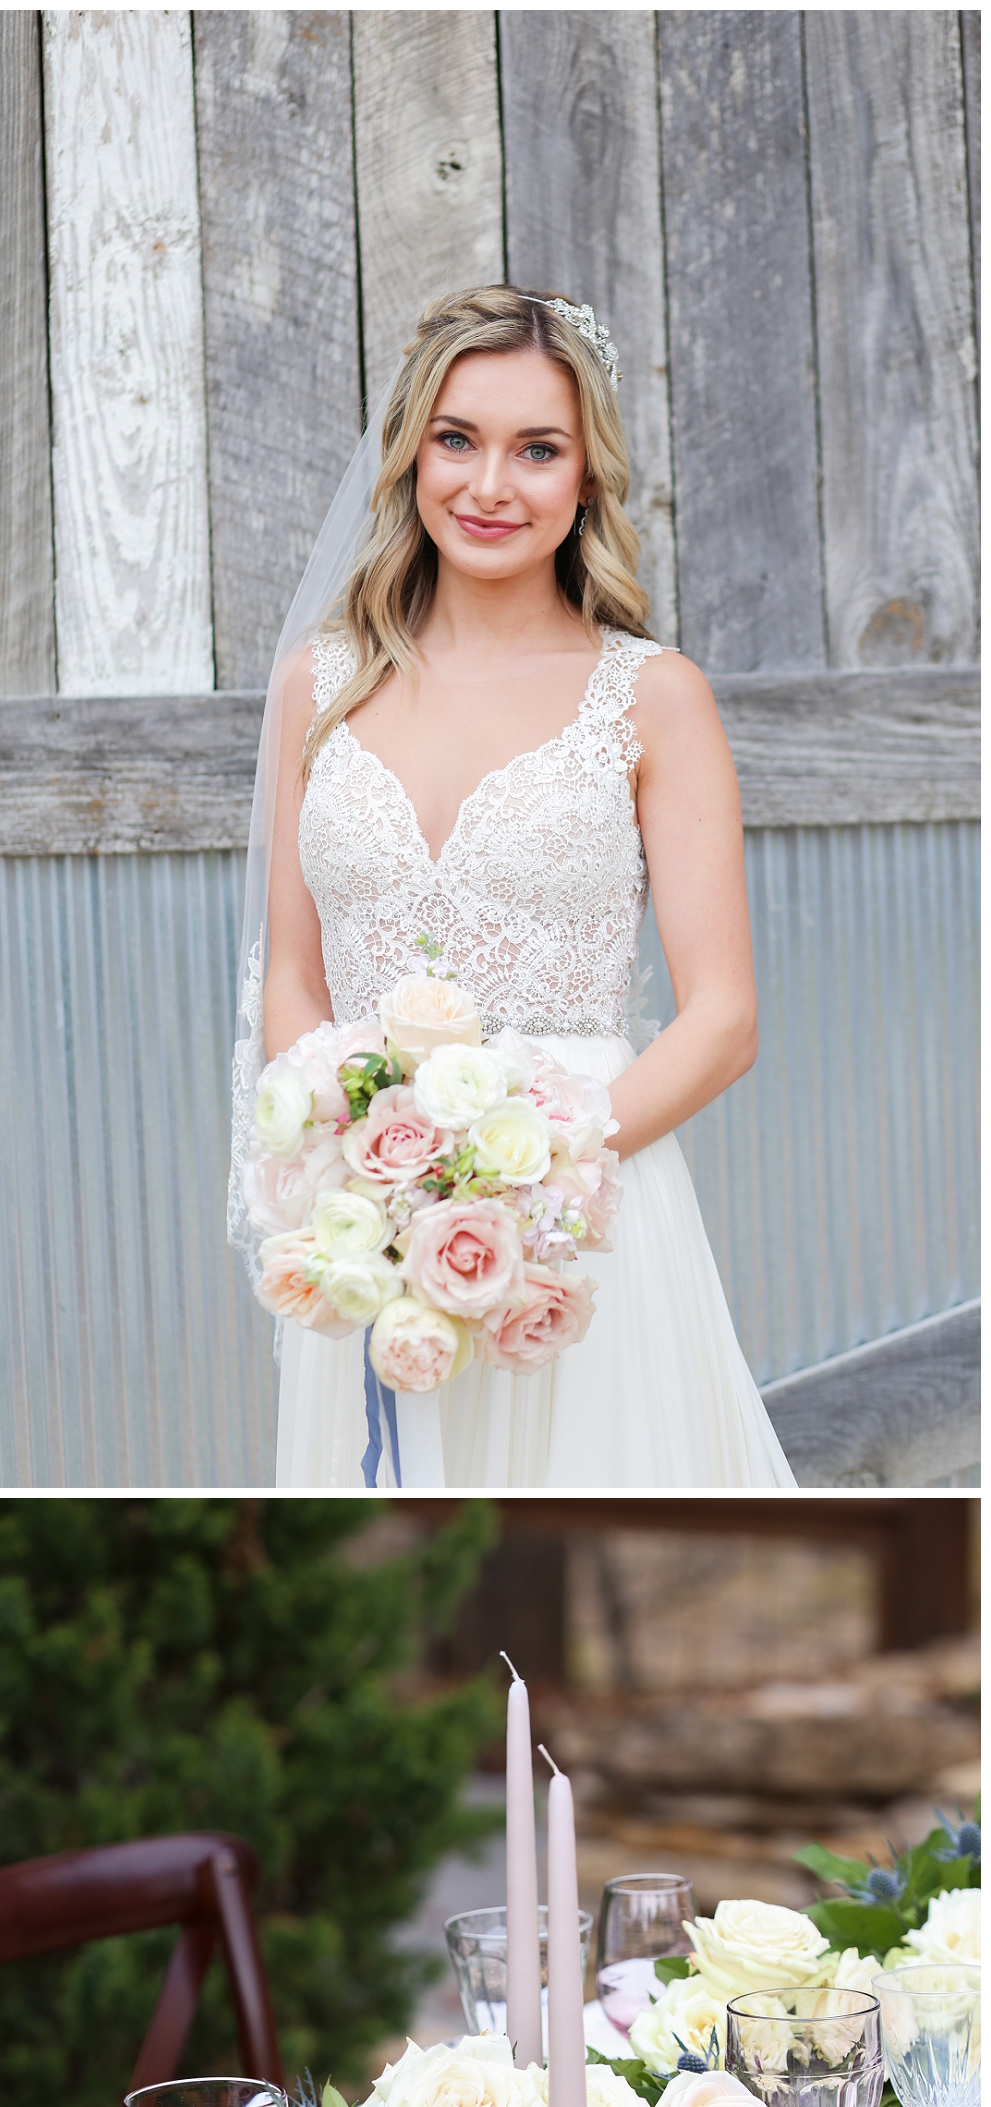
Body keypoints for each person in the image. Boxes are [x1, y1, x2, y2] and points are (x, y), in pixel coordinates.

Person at [236, 283, 795, 1488]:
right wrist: (355, 1154)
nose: (488, 486)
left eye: (535, 450)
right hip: (372, 1221)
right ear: (410, 453)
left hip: (582, 1209)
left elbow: (722, 1019)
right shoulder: (316, 683)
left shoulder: (652, 697)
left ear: (584, 475)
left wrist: (526, 1168)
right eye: (457, 439)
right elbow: (290, 972)